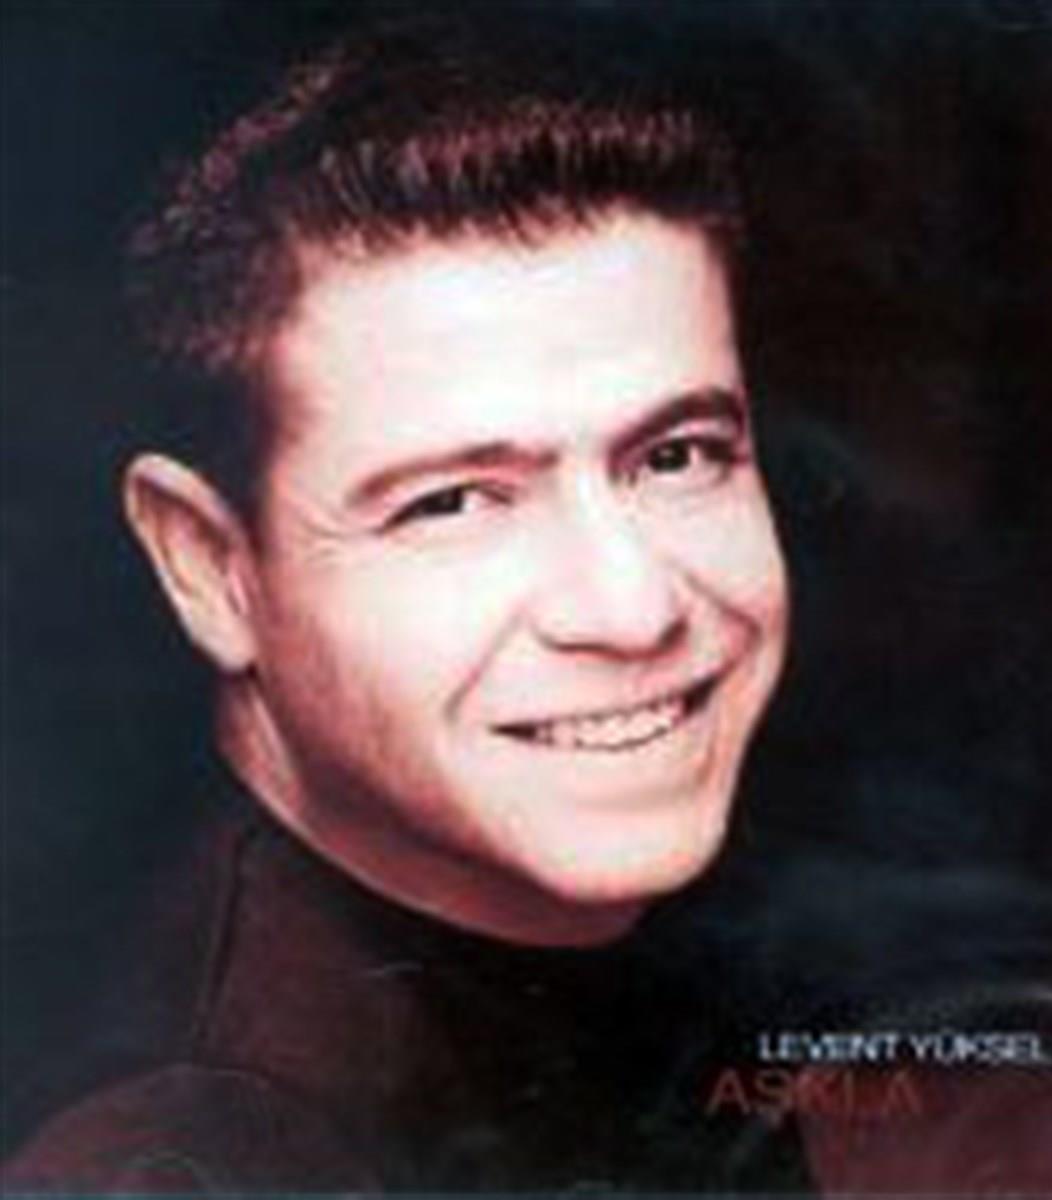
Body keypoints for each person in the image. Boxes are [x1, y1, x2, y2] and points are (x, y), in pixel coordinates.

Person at [3, 5, 797, 1192]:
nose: (634, 610)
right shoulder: (178, 1155)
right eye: (453, 503)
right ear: (207, 565)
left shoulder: (658, 960)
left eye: (676, 456)